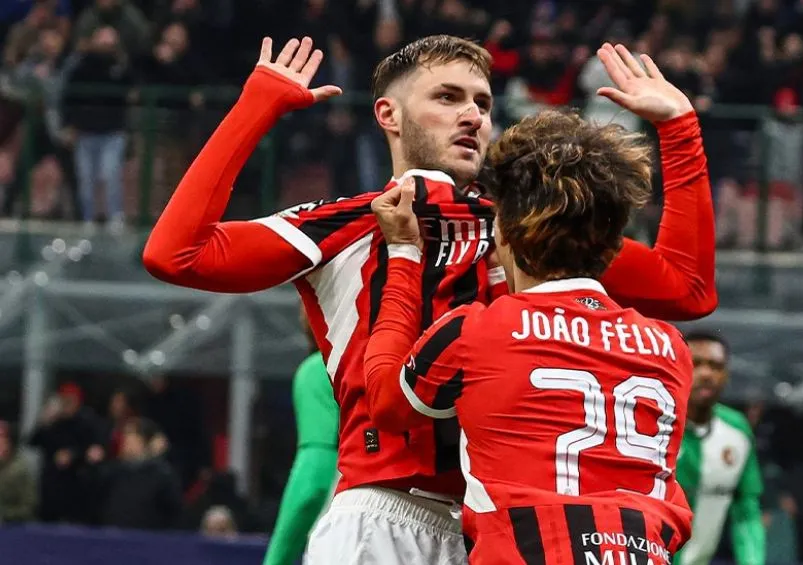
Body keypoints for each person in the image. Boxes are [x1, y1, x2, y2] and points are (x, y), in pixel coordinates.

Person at [143, 35, 715, 564]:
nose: (473, 115)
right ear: (387, 115)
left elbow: (687, 288)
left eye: (483, 104)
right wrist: (258, 107)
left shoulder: (530, 231)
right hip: (384, 515)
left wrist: (679, 128)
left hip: (500, 531)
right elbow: (176, 254)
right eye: (448, 97)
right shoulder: (345, 224)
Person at [361, 45, 699, 564]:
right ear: (615, 248)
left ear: (504, 234)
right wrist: (680, 127)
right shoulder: (670, 348)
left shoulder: (476, 331)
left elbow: (386, 404)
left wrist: (404, 255)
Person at [676, 331, 765, 565]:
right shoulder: (649, 425)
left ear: (726, 375)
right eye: (695, 364)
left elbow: (746, 512)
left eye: (715, 366)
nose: (706, 374)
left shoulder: (737, 431)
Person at [263, 310, 341, 565]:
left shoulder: (319, 371)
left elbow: (313, 483)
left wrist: (276, 560)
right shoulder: (402, 366)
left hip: (345, 537)